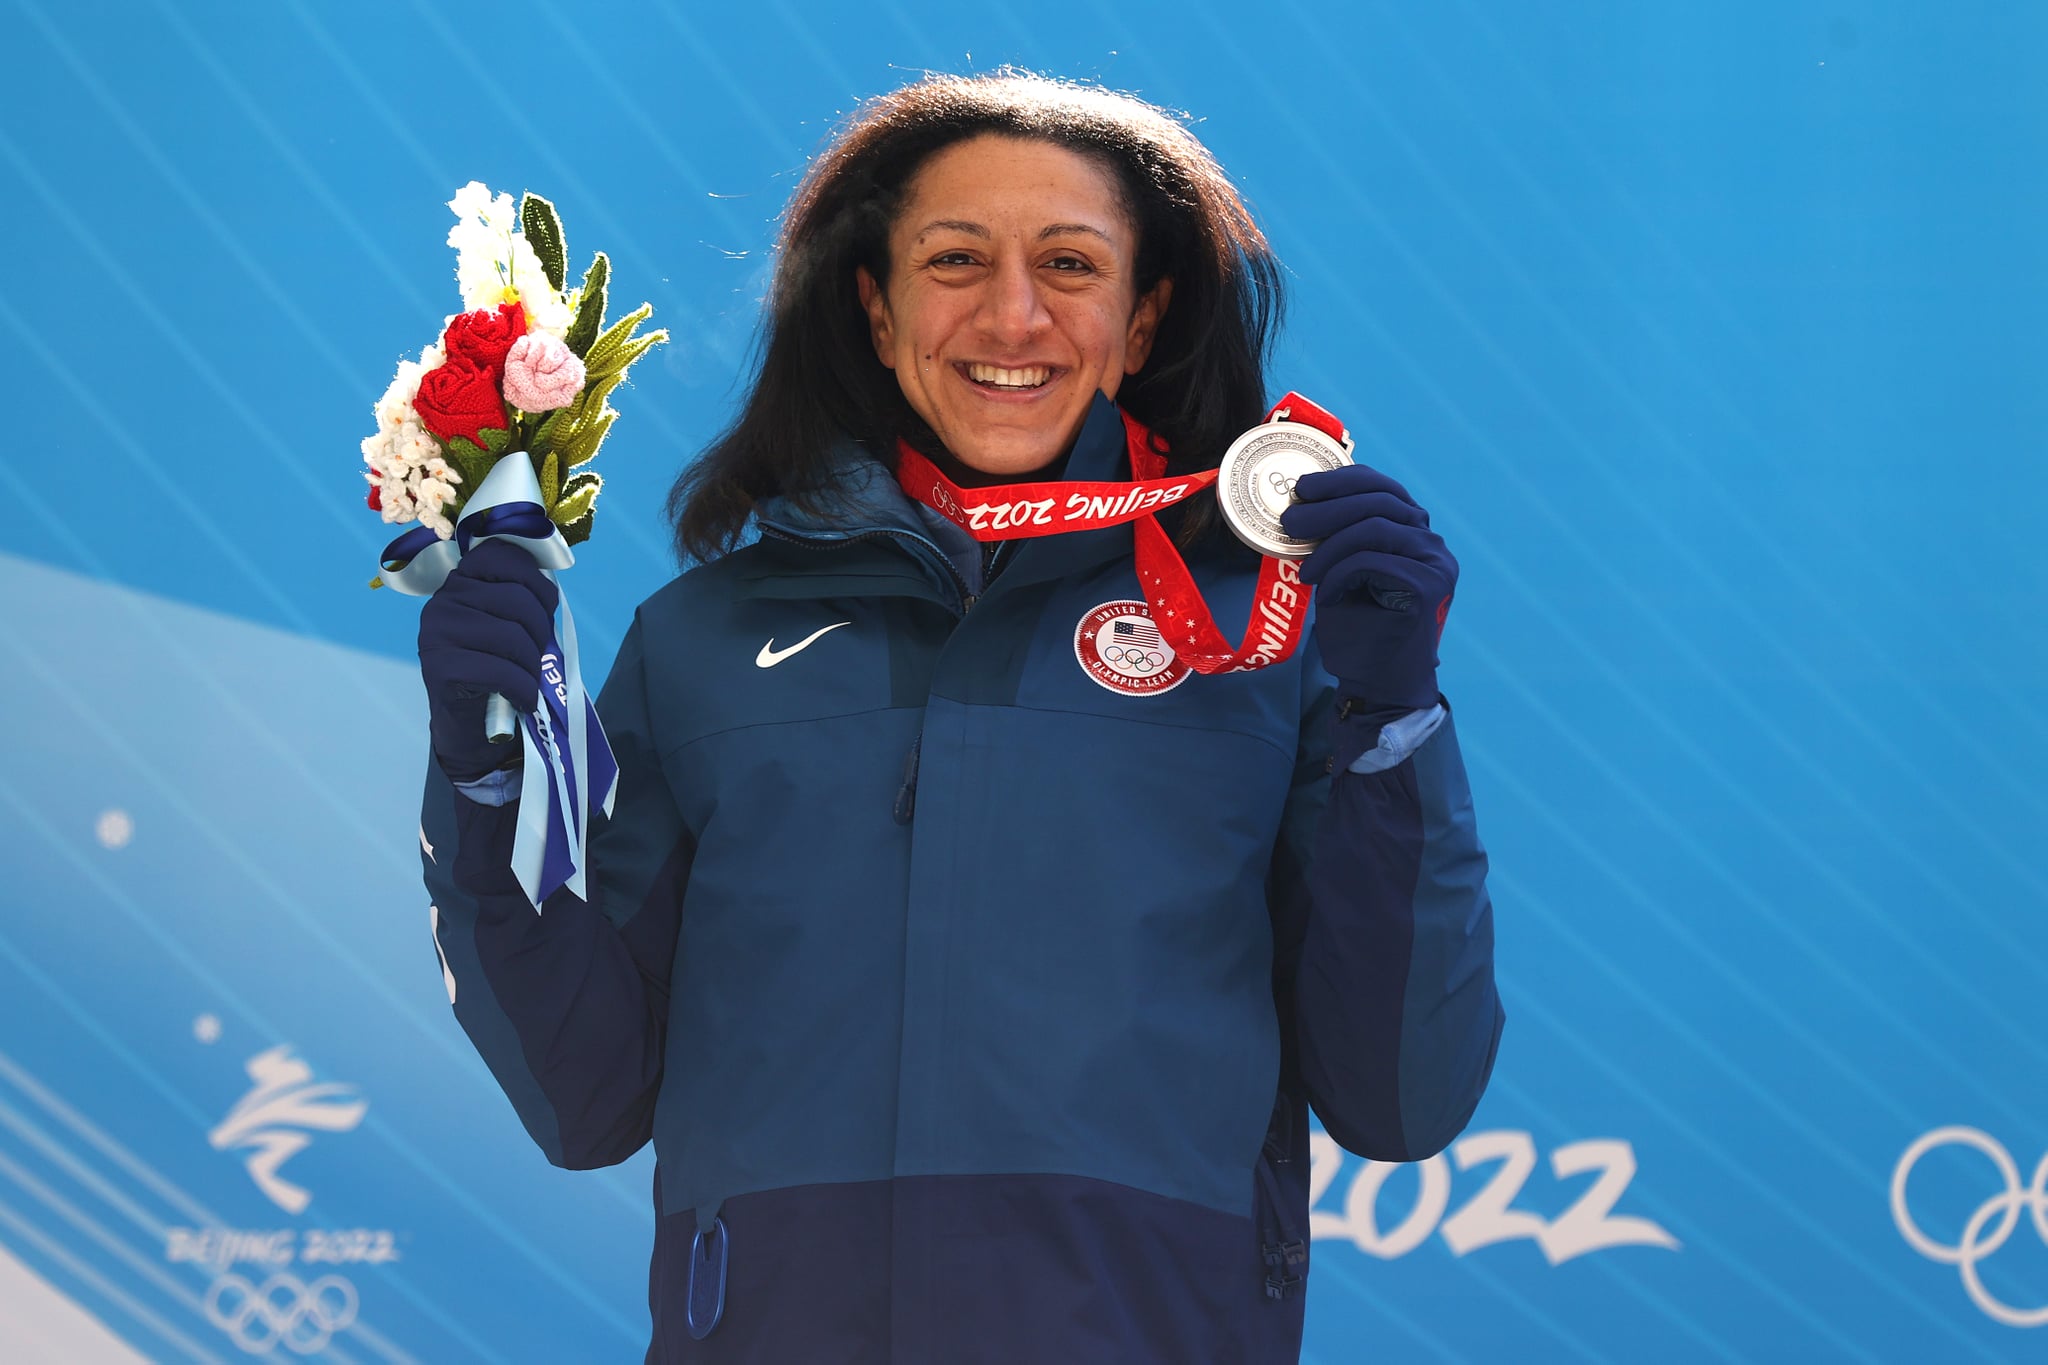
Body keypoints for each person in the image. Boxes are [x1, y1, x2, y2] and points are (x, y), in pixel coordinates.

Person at [415, 70, 1502, 1365]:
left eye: (1070, 262)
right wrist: (482, 786)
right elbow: (582, 1094)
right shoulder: (704, 640)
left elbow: (1399, 1093)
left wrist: (1394, 727)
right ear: (874, 309)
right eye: (953, 258)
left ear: (1144, 317)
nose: (1012, 312)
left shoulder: (1266, 632)